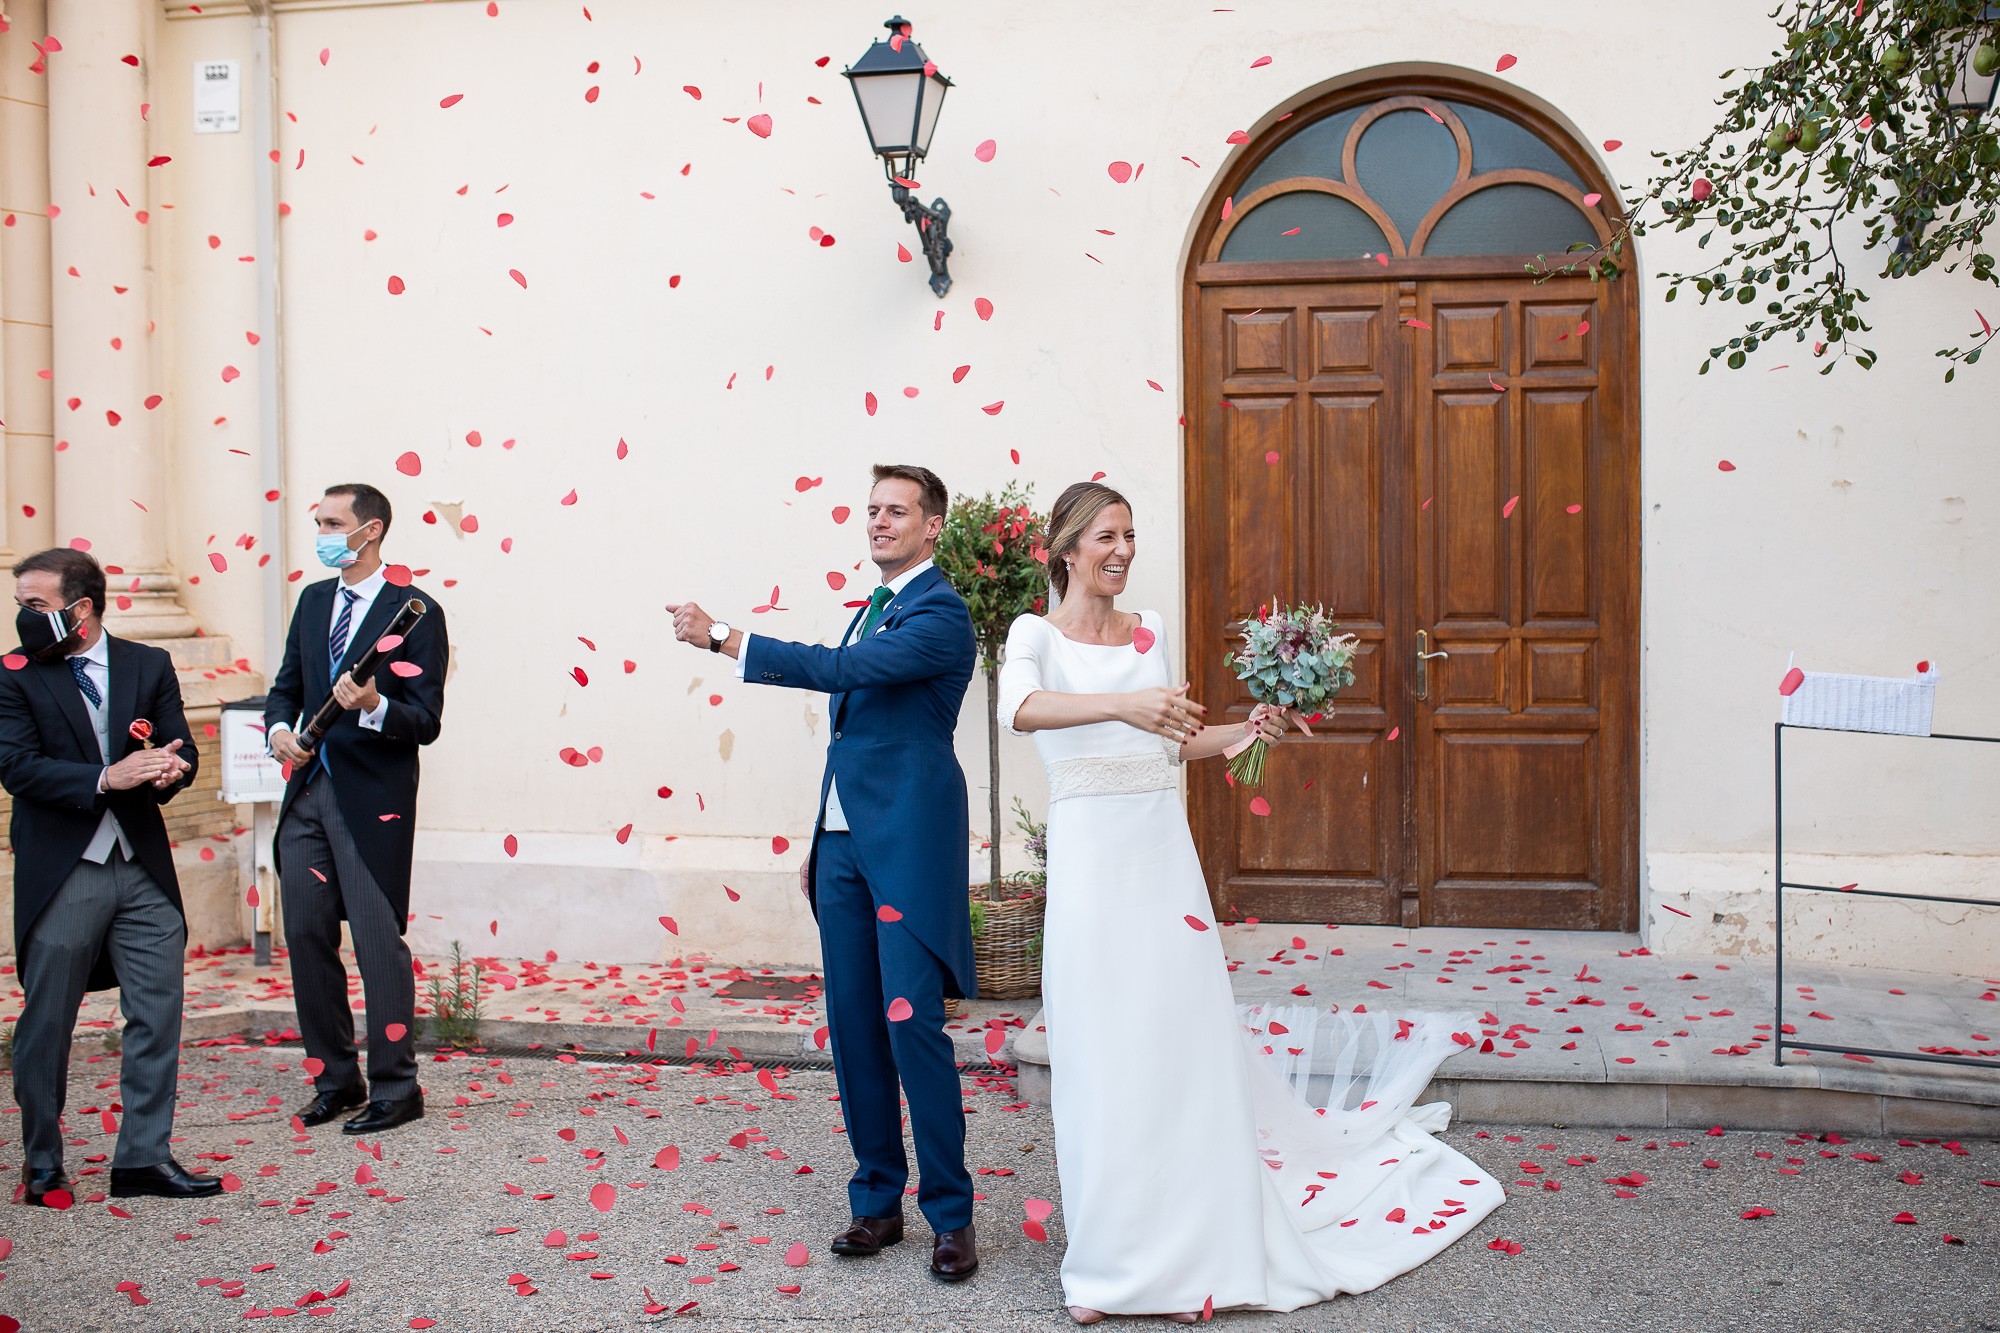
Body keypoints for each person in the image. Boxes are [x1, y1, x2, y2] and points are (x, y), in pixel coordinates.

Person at [996, 481, 1505, 1323]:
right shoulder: (1033, 635)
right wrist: (1130, 702)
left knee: (1178, 1049)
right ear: (1066, 548)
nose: (1121, 551)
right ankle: (1107, 1267)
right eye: (1105, 537)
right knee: (1102, 1056)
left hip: (1161, 859)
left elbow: (1171, 742)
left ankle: (1204, 1246)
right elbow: (1021, 708)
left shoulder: (1150, 629)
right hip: (1093, 872)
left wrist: (1239, 733)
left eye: (1130, 535)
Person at [668, 463, 981, 1282]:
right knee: (852, 1028)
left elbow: (842, 677)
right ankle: (877, 1202)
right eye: (872, 509)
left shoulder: (942, 614)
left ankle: (951, 1215)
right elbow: (852, 738)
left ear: (932, 526)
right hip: (843, 847)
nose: (878, 522)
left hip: (907, 848)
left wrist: (725, 636)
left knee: (913, 1026)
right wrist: (822, 836)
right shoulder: (868, 611)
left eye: (897, 511)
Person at [0, 547, 219, 1204]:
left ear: (82, 607)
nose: (23, 618)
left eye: (34, 605)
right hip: (65, 869)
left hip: (142, 869)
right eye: (20, 605)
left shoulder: (146, 664)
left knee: (157, 1014)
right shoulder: (13, 677)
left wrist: (174, 768)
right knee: (47, 1023)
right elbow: (15, 765)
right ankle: (43, 1161)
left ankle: (144, 1157)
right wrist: (103, 775)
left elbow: (180, 744)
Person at [266, 483, 447, 1135]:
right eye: (318, 522)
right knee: (306, 939)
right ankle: (336, 1080)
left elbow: (424, 720)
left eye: (333, 523)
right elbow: (285, 684)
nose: (322, 532)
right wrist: (276, 731)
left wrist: (372, 704)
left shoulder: (416, 611)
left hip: (371, 804)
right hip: (306, 791)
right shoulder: (314, 602)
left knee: (377, 945)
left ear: (370, 531)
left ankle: (398, 1088)